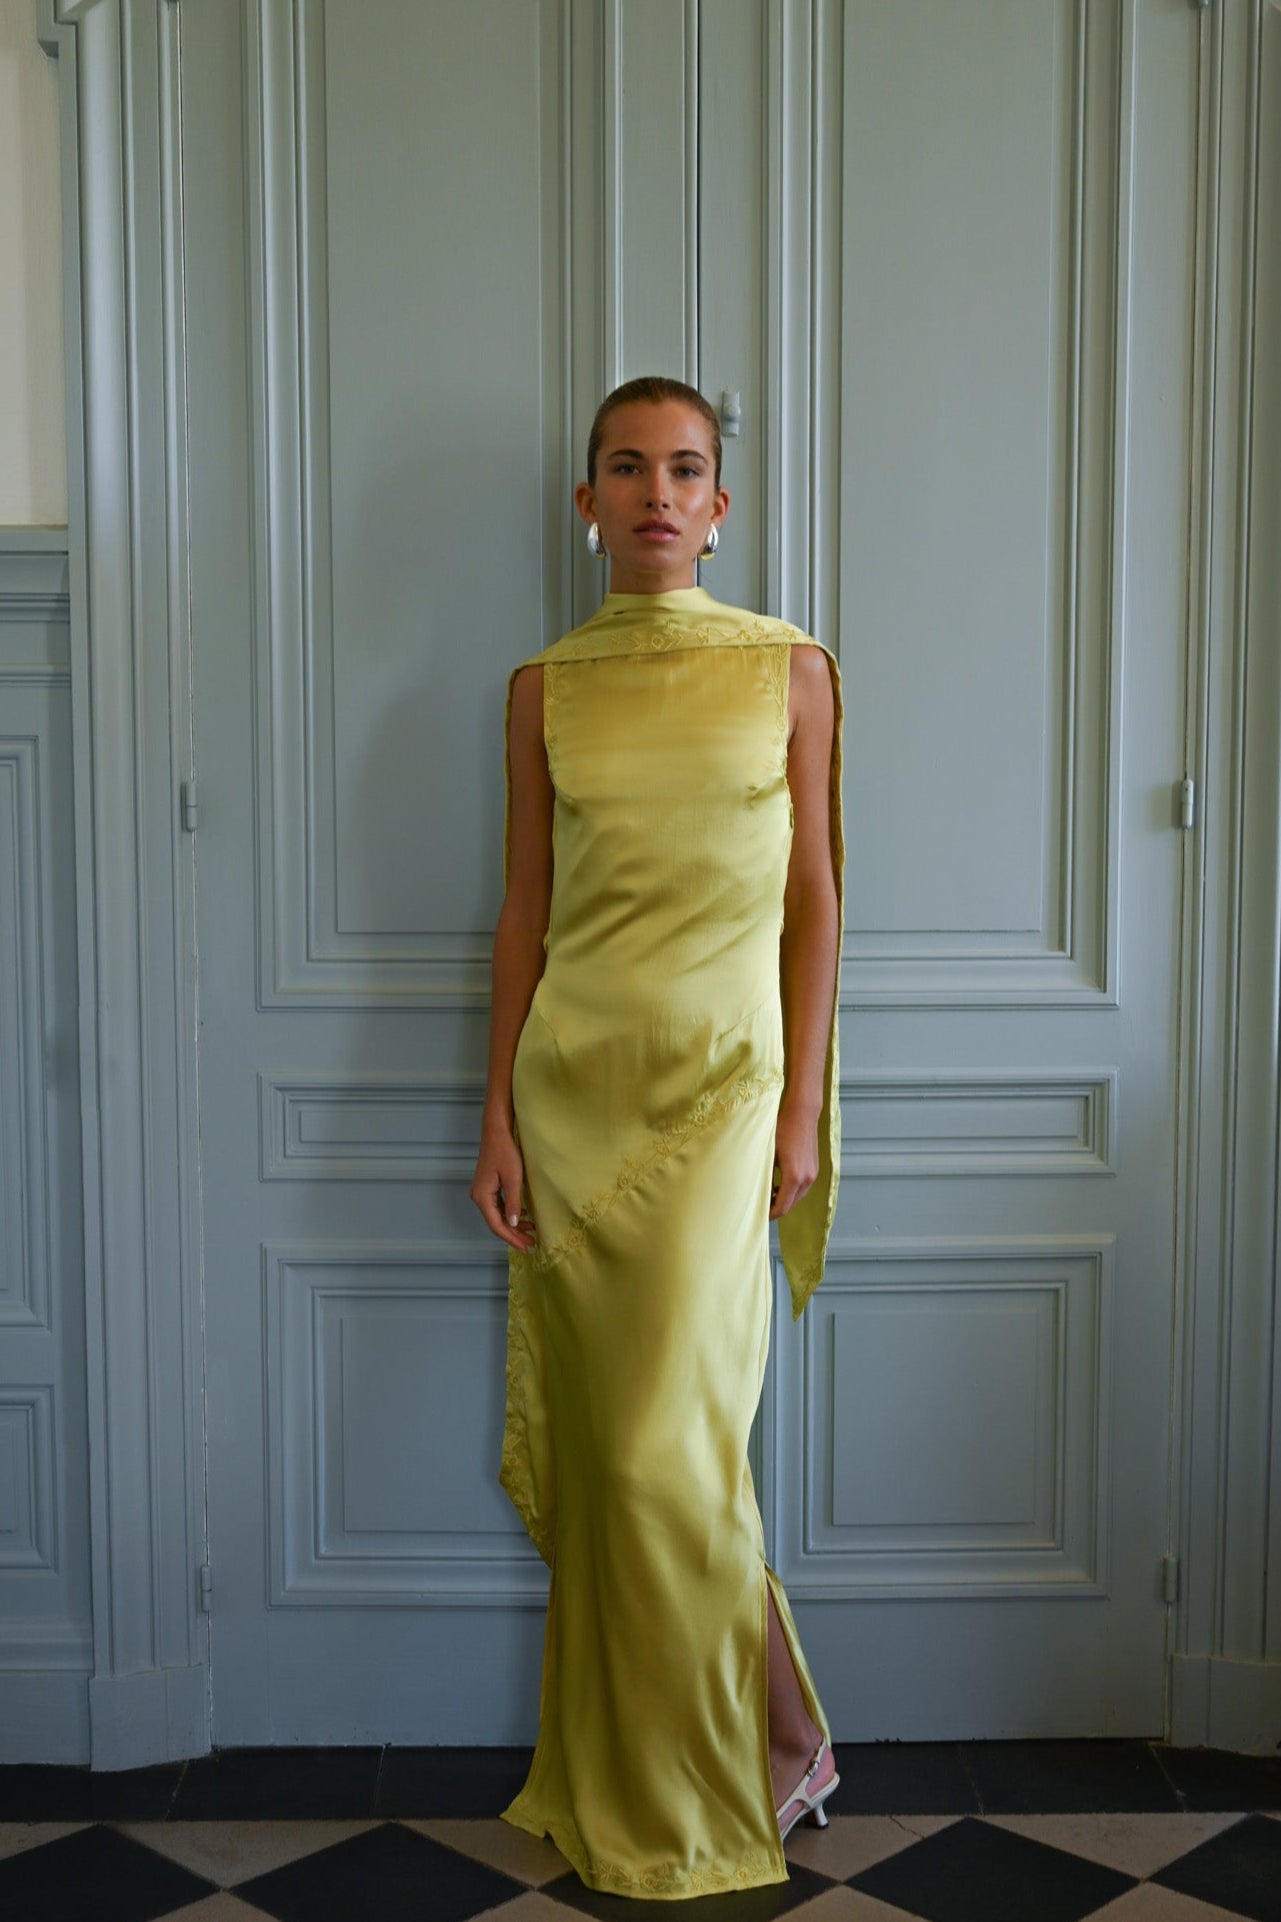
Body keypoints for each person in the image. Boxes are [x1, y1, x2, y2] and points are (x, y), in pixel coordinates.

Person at [470, 375, 845, 1898]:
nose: (654, 492)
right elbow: (524, 912)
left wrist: (803, 1099)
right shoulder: (540, 686)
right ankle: (774, 1737)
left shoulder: (791, 669)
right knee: (640, 1462)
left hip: (720, 1099)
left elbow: (817, 893)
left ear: (719, 506)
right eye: (625, 468)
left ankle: (734, 1768)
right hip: (575, 1098)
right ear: (585, 504)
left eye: (683, 468)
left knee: (663, 1455)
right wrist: (494, 1105)